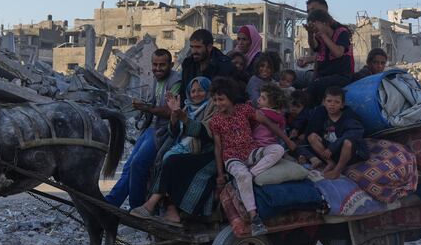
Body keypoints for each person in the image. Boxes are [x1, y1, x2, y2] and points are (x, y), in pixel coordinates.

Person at [209, 78, 296, 234]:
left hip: (251, 153)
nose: (217, 103)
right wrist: (220, 174)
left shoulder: (244, 110)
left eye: (221, 99)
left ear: (230, 98)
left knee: (277, 150)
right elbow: (218, 147)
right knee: (242, 175)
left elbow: (269, 124)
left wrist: (287, 141)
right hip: (232, 158)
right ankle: (254, 217)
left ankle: (252, 173)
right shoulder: (215, 121)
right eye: (215, 100)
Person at [131, 77, 216, 224]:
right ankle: (169, 209)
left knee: (171, 160)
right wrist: (174, 116)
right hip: (184, 149)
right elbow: (174, 132)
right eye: (193, 91)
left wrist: (184, 118)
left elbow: (205, 133)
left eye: (201, 90)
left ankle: (152, 205)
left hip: (205, 153)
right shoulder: (186, 107)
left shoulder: (213, 107)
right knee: (164, 158)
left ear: (208, 91)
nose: (196, 94)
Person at [106, 49, 180, 208]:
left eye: (162, 65)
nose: (158, 69)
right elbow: (154, 105)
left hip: (164, 131)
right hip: (151, 128)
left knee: (138, 164)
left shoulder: (176, 81)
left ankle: (137, 208)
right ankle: (111, 203)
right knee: (128, 166)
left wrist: (146, 108)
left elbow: (169, 111)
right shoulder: (156, 79)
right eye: (155, 65)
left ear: (171, 65)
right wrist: (144, 106)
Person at [303, 86, 368, 179]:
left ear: (342, 105)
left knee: (348, 142)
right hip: (330, 151)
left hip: (348, 152)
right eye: (329, 101)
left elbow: (353, 134)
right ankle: (330, 163)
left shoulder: (349, 116)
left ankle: (337, 170)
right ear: (324, 102)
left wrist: (332, 148)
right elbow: (310, 130)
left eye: (336, 102)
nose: (332, 104)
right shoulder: (320, 112)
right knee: (312, 137)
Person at [302, 9, 354, 105]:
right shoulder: (318, 37)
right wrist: (310, 33)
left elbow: (338, 53)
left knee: (316, 87)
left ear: (325, 23)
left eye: (315, 24)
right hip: (324, 76)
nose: (314, 28)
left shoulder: (342, 33)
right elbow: (314, 47)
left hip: (341, 76)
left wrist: (323, 34)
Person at [180, 29, 237, 101]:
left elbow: (230, 95)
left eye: (198, 47)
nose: (194, 51)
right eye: (192, 47)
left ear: (209, 47)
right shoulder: (188, 64)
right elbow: (183, 92)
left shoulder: (224, 66)